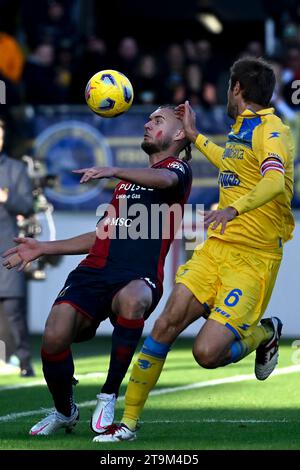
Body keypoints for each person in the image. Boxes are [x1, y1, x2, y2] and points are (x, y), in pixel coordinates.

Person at [94, 57, 295, 443]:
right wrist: (196, 136)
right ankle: (129, 423)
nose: (225, 93)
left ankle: (264, 333)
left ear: (237, 88)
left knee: (207, 353)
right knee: (165, 324)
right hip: (216, 248)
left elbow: (272, 181)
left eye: (228, 86)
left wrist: (234, 208)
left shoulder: (272, 131)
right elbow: (233, 166)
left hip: (253, 259)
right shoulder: (242, 128)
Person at [2, 105, 192, 435]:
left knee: (134, 298)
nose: (148, 124)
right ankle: (65, 411)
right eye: (148, 120)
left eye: (158, 121)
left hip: (137, 274)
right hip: (94, 271)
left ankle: (108, 393)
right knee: (54, 335)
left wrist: (114, 170)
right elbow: (101, 235)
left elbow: (164, 179)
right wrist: (44, 247)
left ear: (178, 134)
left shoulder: (178, 171)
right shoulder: (124, 185)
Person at [0, 119, 35, 377]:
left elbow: (26, 205)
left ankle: (24, 362)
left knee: (12, 308)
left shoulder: (15, 169)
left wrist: (6, 198)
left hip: (7, 245)